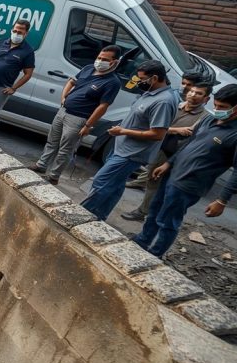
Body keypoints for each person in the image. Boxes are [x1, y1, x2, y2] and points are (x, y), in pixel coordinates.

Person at [132, 84, 237, 257]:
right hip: (172, 174)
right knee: (154, 210)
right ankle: (142, 241)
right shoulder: (209, 119)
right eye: (216, 105)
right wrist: (168, 164)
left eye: (223, 107)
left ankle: (155, 253)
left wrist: (222, 200)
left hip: (190, 183)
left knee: (168, 221)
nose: (217, 109)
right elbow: (189, 143)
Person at [79, 60, 177, 220]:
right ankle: (98, 218)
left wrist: (123, 131)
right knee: (115, 186)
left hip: (132, 153)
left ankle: (81, 217)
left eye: (142, 79)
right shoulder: (151, 92)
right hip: (122, 147)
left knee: (101, 182)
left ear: (154, 78)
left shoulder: (164, 101)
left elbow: (158, 134)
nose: (139, 82)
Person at [30, 46, 123, 185]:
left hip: (79, 119)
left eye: (105, 59)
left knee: (65, 149)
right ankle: (41, 165)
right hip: (63, 111)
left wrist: (88, 125)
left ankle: (53, 176)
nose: (100, 61)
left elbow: (103, 106)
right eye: (99, 57)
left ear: (114, 62)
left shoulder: (112, 82)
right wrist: (63, 98)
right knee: (52, 141)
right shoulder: (88, 68)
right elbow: (71, 81)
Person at [120, 82, 212, 221]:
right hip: (158, 147)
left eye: (199, 93)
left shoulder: (204, 118)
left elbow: (191, 137)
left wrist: (165, 130)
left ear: (206, 99)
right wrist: (174, 130)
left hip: (175, 154)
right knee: (153, 180)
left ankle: (143, 212)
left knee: (158, 184)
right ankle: (148, 210)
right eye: (191, 91)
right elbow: (155, 126)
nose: (193, 95)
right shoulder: (175, 106)